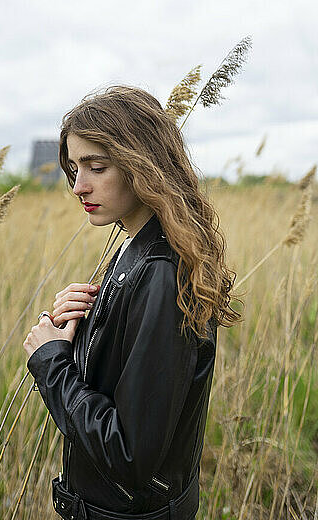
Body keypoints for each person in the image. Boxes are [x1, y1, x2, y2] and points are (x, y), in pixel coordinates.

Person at [23, 85, 241, 520]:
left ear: (140, 165)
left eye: (96, 167)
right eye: (73, 168)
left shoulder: (161, 271)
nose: (78, 186)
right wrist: (79, 327)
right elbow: (124, 376)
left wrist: (50, 362)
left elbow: (129, 454)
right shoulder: (133, 248)